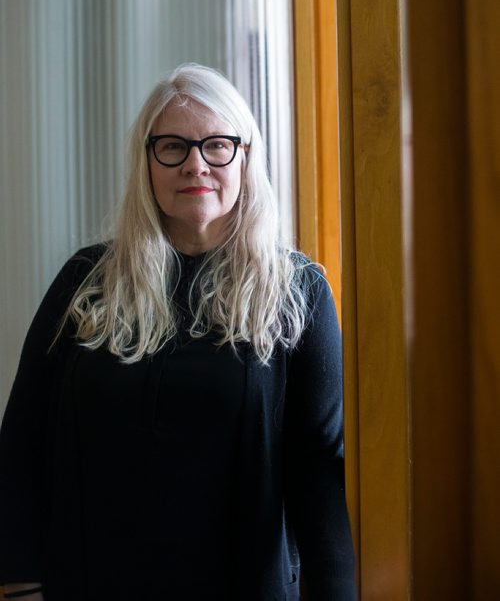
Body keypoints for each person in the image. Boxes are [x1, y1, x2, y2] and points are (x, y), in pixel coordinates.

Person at [0, 64, 356, 600]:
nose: (196, 164)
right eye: (173, 146)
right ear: (146, 162)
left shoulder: (297, 291)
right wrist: (20, 585)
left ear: (245, 158)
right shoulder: (87, 280)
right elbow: (22, 441)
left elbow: (318, 471)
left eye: (217, 145)